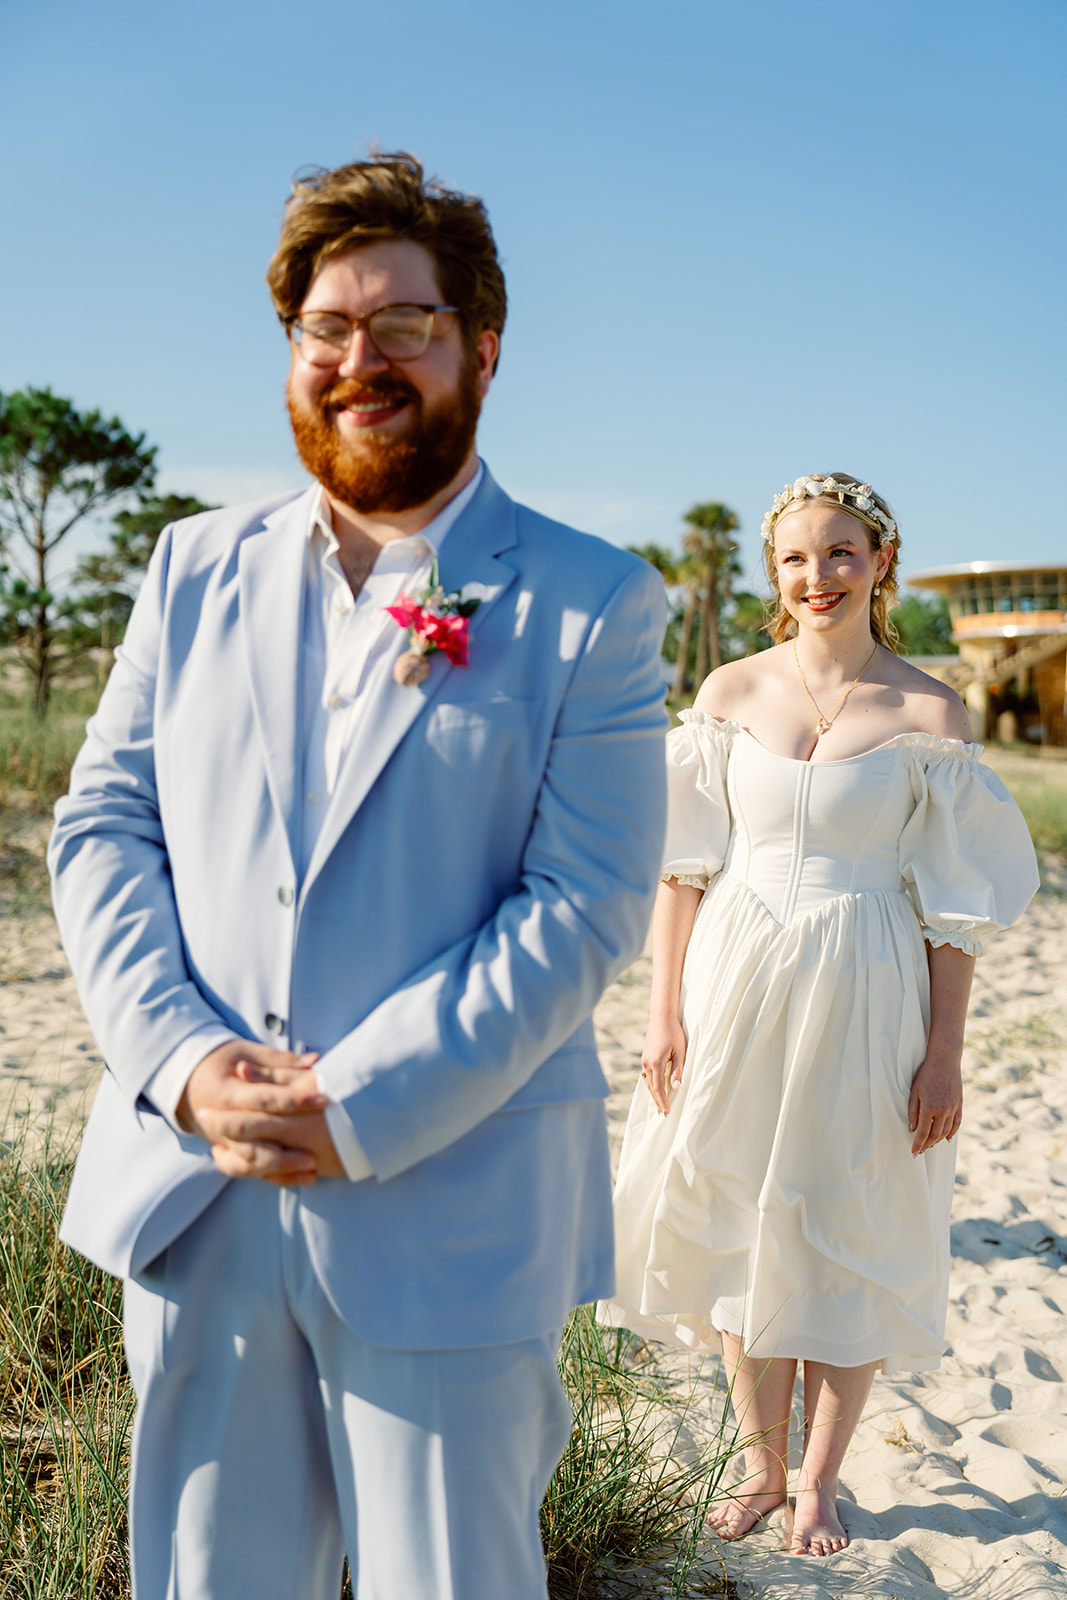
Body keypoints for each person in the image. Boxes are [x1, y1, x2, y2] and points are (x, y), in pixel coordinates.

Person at [49, 152, 668, 1600]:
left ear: (481, 349)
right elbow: (104, 826)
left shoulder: (592, 600)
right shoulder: (189, 568)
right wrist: (185, 1062)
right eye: (325, 328)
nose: (357, 360)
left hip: (452, 1209)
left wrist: (357, 1103)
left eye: (402, 324)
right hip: (199, 1193)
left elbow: (582, 903)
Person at [598, 472, 1038, 1557]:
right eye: (795, 557)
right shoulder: (728, 691)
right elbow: (682, 870)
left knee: (850, 1221)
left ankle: (818, 1484)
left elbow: (952, 909)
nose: (817, 576)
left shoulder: (929, 710)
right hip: (731, 977)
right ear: (774, 570)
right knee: (740, 1215)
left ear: (880, 562)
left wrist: (943, 1054)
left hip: (866, 984)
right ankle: (759, 1468)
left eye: (840, 552)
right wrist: (662, 1015)